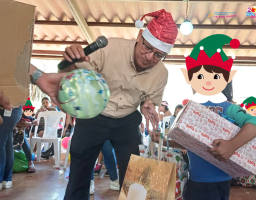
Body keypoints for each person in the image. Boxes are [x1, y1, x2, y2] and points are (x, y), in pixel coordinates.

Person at [28, 9, 178, 200]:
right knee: (79, 175)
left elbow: (147, 101)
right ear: (140, 35)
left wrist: (146, 105)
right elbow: (69, 71)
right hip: (93, 117)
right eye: (148, 48)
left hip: (127, 120)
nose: (150, 58)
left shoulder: (161, 74)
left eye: (158, 55)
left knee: (135, 178)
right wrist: (69, 58)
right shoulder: (110, 48)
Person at [155, 34, 256, 200]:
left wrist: (232, 145)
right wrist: (163, 140)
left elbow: (255, 122)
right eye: (200, 76)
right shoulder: (189, 109)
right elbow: (186, 140)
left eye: (215, 76)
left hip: (220, 180)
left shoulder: (228, 108)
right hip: (195, 178)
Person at [0, 91, 22, 190]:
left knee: (1, 142)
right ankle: (6, 179)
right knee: (6, 142)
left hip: (6, 107)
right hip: (15, 108)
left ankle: (1, 179)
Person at [15, 98, 38, 173]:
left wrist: (32, 122)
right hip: (11, 132)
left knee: (23, 137)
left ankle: (30, 162)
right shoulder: (15, 114)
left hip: (20, 133)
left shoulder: (28, 117)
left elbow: (36, 121)